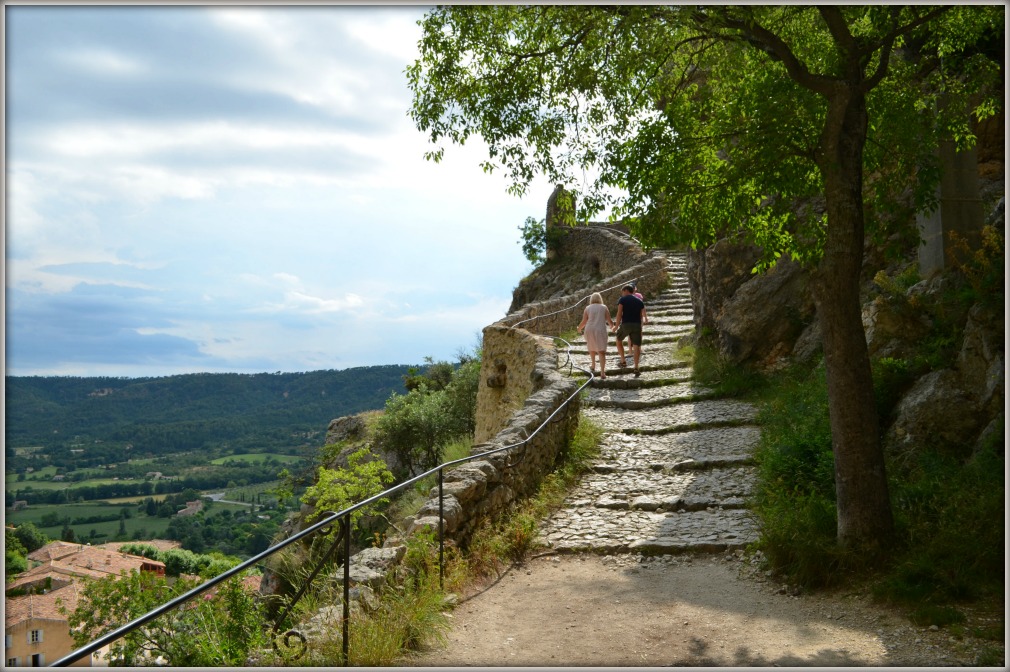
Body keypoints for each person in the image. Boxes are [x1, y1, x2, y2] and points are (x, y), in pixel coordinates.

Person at [577, 292, 615, 379]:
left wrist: (579, 328)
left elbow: (584, 321)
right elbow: (609, 320)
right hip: (600, 330)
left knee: (591, 347)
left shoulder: (588, 308)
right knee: (601, 351)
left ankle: (593, 365)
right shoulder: (604, 307)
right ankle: (602, 372)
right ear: (600, 298)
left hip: (589, 329)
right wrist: (613, 327)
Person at [613, 284, 646, 376]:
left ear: (626, 291)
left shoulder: (622, 300)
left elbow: (619, 314)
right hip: (637, 325)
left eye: (622, 292)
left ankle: (623, 361)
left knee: (618, 340)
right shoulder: (640, 301)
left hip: (626, 324)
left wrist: (616, 326)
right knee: (636, 346)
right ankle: (636, 367)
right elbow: (640, 316)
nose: (622, 294)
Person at [620, 282, 648, 358]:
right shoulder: (634, 297)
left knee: (637, 334)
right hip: (636, 318)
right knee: (634, 334)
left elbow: (642, 307)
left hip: (637, 318)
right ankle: (631, 350)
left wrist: (645, 317)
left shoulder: (636, 296)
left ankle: (637, 349)